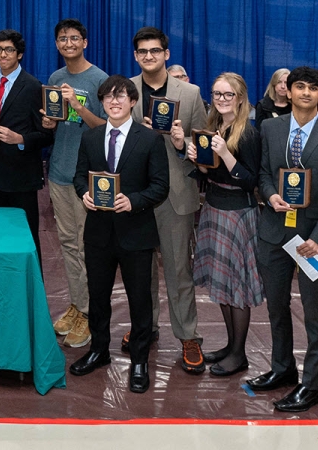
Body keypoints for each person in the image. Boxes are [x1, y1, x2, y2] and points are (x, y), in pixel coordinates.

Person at [70, 74, 169, 394]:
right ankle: (98, 351)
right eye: (108, 97)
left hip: (136, 233)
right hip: (98, 232)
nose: (114, 101)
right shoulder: (91, 138)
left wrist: (134, 200)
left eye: (121, 96)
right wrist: (84, 193)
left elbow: (160, 186)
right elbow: (79, 178)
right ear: (102, 102)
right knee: (98, 296)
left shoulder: (150, 139)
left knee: (140, 300)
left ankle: (139, 360)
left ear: (133, 101)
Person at [126, 27, 209, 374]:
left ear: (167, 53)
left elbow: (203, 147)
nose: (149, 57)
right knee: (139, 272)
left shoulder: (190, 94)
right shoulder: (126, 90)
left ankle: (188, 335)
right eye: (143, 51)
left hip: (175, 195)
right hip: (137, 195)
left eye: (155, 51)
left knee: (178, 270)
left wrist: (182, 140)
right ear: (135, 56)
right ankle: (145, 326)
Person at [186, 73, 262, 377]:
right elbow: (210, 175)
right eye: (216, 94)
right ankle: (231, 347)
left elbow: (249, 181)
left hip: (237, 215)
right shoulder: (213, 126)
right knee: (221, 282)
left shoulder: (248, 134)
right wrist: (197, 160)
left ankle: (240, 354)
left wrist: (224, 154)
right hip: (214, 208)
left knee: (236, 287)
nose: (221, 100)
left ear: (241, 98)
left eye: (228, 95)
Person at [252, 66, 318, 412]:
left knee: (313, 314)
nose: (306, 93)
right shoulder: (270, 126)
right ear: (287, 91)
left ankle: (312, 383)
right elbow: (263, 171)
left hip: (311, 240)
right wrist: (269, 195)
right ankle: (283, 369)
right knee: (276, 306)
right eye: (300, 87)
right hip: (275, 230)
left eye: (313, 88)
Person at [41, 19, 108, 348]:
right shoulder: (55, 78)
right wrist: (49, 120)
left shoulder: (99, 80)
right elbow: (56, 125)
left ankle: (91, 312)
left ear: (85, 42)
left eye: (74, 39)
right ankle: (77, 305)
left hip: (87, 179)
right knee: (68, 245)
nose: (68, 43)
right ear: (57, 44)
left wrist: (78, 106)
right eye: (62, 39)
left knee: (87, 248)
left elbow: (106, 131)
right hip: (58, 172)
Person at [0, 29, 53, 263]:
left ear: (20, 54)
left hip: (22, 176)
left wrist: (21, 139)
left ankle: (31, 292)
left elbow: (46, 135)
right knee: (0, 237)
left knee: (26, 239)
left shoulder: (33, 86)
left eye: (8, 50)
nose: (2, 54)